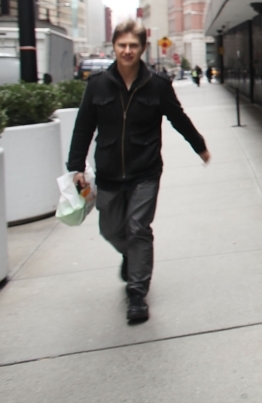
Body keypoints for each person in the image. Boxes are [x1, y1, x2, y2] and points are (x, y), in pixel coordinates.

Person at [67, 19, 210, 324]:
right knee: (110, 229)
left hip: (145, 171)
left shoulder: (157, 84)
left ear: (143, 48)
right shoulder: (97, 85)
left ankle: (137, 294)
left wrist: (199, 146)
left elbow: (178, 118)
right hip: (108, 173)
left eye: (133, 45)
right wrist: (75, 168)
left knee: (138, 228)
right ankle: (131, 257)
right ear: (114, 47)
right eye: (122, 45)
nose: (127, 50)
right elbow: (83, 128)